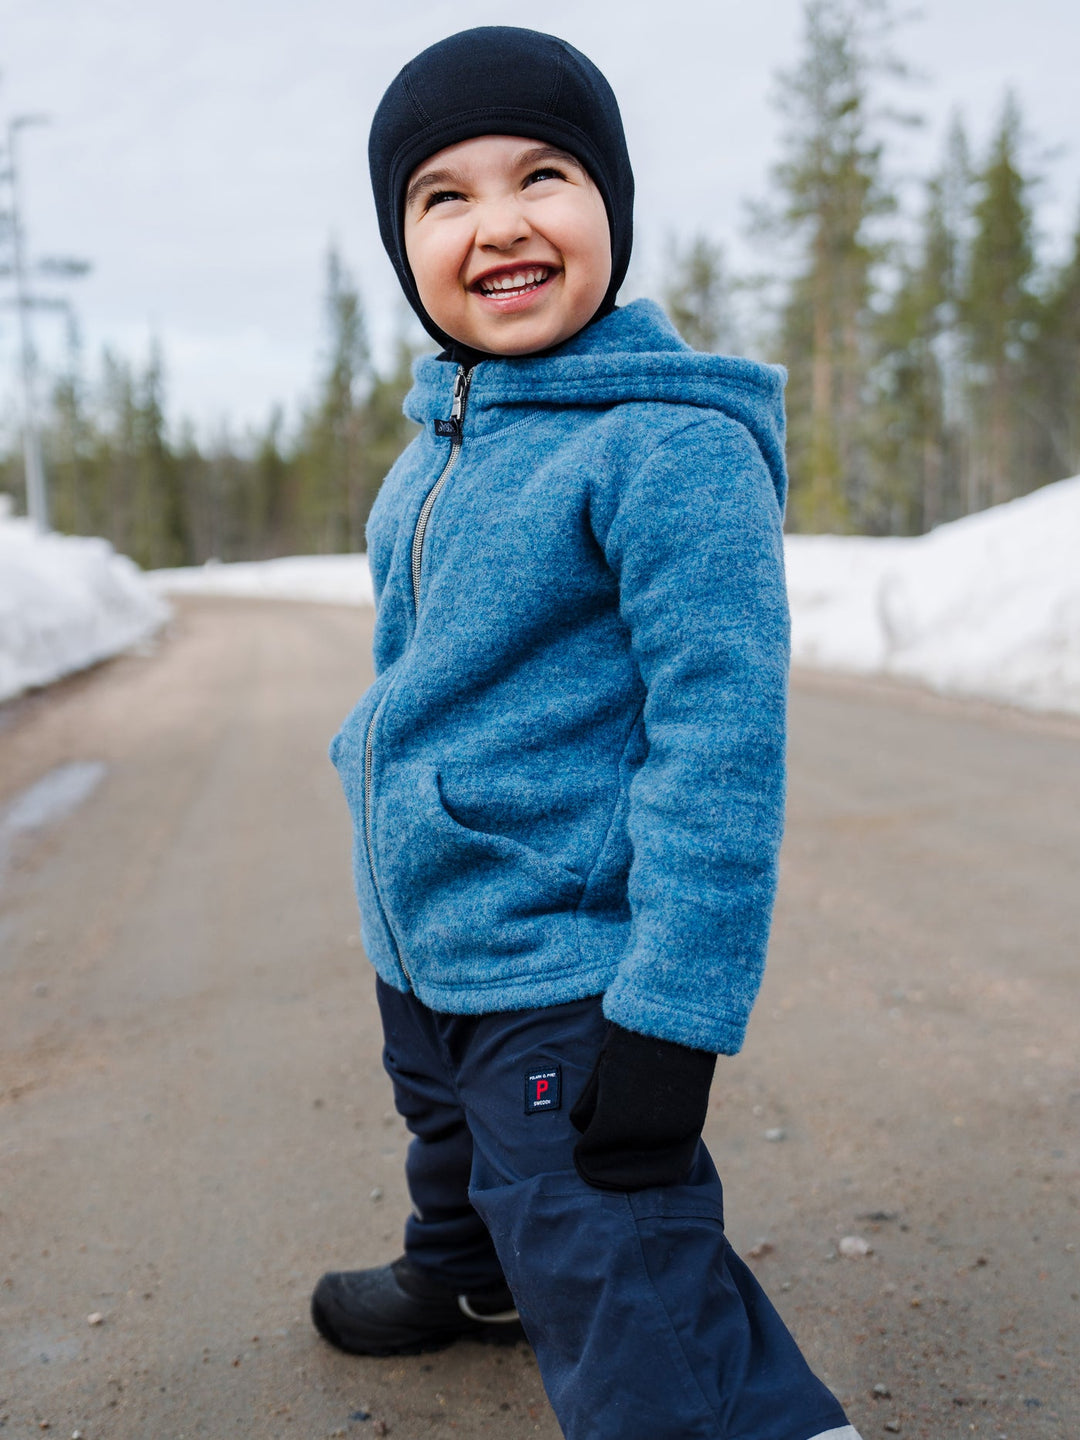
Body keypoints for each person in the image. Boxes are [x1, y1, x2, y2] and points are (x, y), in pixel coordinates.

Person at [313, 25, 863, 1440]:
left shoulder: (663, 446)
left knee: (609, 1242)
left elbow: (720, 752)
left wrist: (673, 1018)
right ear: (404, 243)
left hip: (571, 957)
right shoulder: (433, 444)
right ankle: (468, 1267)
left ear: (610, 203)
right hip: (432, 929)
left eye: (543, 175)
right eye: (443, 195)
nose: (499, 221)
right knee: (450, 1126)